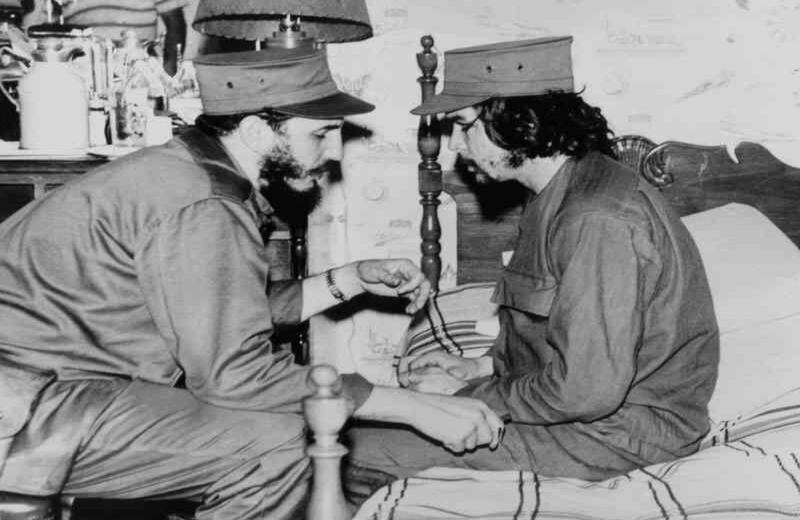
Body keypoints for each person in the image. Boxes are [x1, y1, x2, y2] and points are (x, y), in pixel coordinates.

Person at [0, 46, 505, 520]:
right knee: (273, 442)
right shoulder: (206, 204)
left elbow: (215, 310)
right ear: (258, 131)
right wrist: (412, 405)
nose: (332, 154)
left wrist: (347, 280)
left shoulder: (185, 170)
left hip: (44, 383)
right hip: (25, 403)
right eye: (320, 134)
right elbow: (234, 375)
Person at [345, 36, 720, 502]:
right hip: (589, 414)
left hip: (620, 434)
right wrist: (478, 366)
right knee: (375, 420)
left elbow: (586, 391)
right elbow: (559, 336)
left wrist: (475, 397)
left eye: (464, 126)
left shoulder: (595, 219)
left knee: (350, 450)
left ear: (517, 120)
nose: (458, 147)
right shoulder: (561, 190)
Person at [24, 0, 187, 75]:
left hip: (138, 72)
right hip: (84, 72)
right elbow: (42, 30)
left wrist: (168, 76)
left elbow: (176, 26)